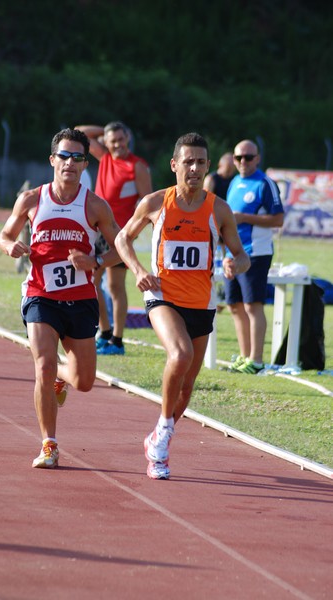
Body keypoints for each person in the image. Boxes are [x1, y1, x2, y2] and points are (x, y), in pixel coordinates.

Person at [114, 132, 250, 480]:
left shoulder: (218, 209)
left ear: (207, 167)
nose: (194, 168)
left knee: (187, 387)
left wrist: (236, 264)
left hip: (201, 302)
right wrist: (140, 270)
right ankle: (162, 435)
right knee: (180, 355)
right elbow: (121, 239)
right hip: (163, 295)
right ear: (174, 165)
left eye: (200, 162)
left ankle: (158, 436)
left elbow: (241, 254)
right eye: (187, 162)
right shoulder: (156, 202)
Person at [0, 128, 120, 469]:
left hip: (80, 298)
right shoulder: (32, 200)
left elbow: (120, 247)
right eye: (63, 156)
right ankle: (49, 444)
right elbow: (5, 234)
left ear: (84, 164)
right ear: (53, 160)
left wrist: (94, 261)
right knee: (43, 364)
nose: (69, 162)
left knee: (83, 381)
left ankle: (60, 379)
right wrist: (10, 246)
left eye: (77, 157)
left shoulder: (95, 205)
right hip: (40, 295)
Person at [75, 121, 153, 355]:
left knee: (116, 286)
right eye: (112, 140)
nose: (117, 144)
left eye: (121, 139)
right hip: (97, 230)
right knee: (92, 281)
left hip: (119, 232)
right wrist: (104, 130)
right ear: (105, 142)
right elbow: (79, 133)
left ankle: (117, 340)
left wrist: (132, 233)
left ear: (128, 138)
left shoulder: (137, 166)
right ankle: (105, 331)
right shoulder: (105, 157)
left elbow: (148, 203)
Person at [225, 139, 285, 374]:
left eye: (248, 157)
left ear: (257, 158)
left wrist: (245, 218)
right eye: (239, 157)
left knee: (252, 305)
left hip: (256, 253)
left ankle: (256, 360)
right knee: (235, 306)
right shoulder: (234, 182)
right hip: (232, 254)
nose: (243, 162)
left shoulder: (265, 184)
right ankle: (244, 356)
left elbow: (278, 220)